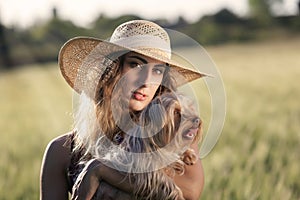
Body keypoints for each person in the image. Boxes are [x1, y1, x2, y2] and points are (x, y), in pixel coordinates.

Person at [40, 20, 209, 200]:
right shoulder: (62, 151)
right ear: (110, 71)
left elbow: (189, 195)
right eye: (135, 65)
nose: (147, 81)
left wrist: (100, 170)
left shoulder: (173, 134)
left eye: (158, 71)